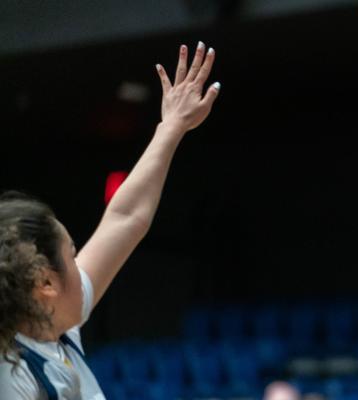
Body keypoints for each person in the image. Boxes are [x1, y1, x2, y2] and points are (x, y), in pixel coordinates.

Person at [0, 42, 220, 399]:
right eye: (71, 255)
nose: (81, 263)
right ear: (44, 283)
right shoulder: (11, 376)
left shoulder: (53, 325)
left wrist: (172, 128)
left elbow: (125, 218)